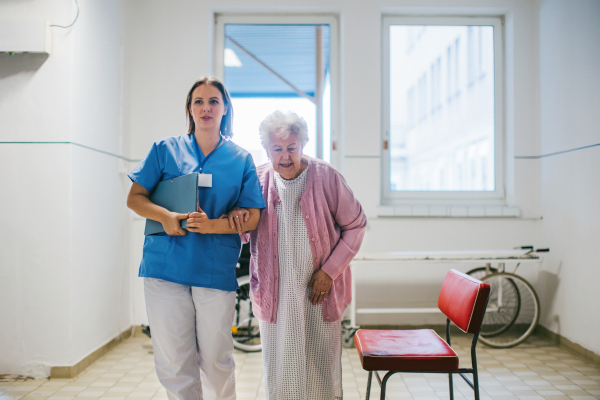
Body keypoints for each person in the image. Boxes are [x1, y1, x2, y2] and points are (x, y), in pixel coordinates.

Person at [126, 77, 266, 400]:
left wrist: (215, 224)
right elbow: (135, 198)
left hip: (213, 270)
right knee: (175, 363)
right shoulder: (165, 150)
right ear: (189, 108)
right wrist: (166, 217)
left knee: (217, 360)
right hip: (165, 268)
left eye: (213, 101)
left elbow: (254, 214)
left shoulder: (240, 159)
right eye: (198, 101)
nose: (205, 108)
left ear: (225, 108)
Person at [228, 110, 367, 400]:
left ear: (302, 145)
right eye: (277, 149)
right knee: (280, 370)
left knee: (321, 368)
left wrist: (329, 272)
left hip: (320, 291)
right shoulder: (257, 179)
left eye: (292, 147)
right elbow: (239, 230)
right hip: (275, 294)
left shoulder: (326, 177)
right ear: (267, 150)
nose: (285, 156)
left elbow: (356, 225)